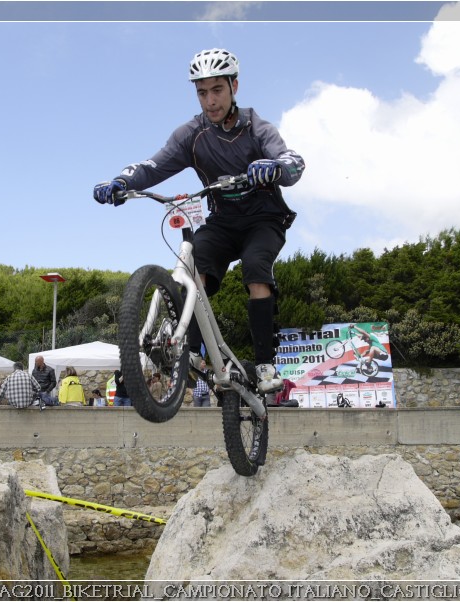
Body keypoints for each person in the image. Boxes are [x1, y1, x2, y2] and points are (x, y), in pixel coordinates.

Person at [93, 48, 304, 394]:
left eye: (217, 90)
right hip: (222, 222)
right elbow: (153, 166)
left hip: (263, 220)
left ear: (234, 86)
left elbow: (292, 160)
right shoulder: (193, 134)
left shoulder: (256, 128)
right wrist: (122, 183)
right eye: (202, 92)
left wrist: (276, 167)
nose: (210, 101)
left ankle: (265, 364)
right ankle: (190, 354)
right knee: (194, 265)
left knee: (255, 268)